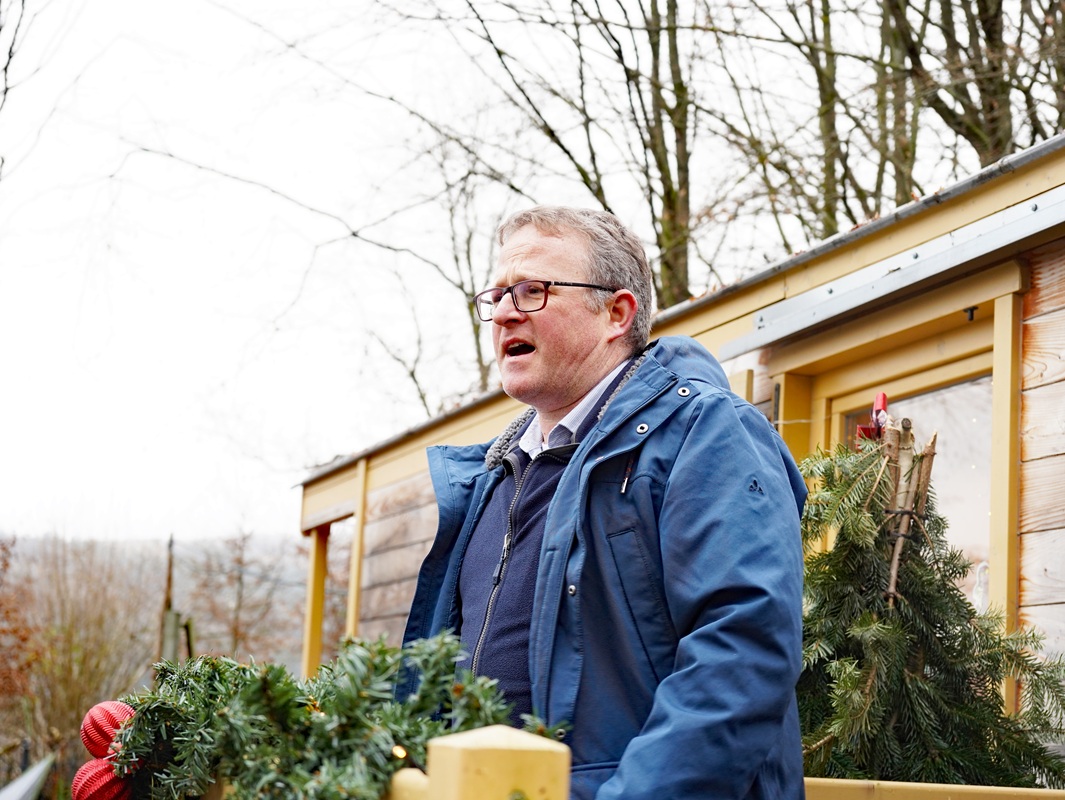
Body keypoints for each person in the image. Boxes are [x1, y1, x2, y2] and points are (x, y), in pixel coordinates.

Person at [401, 206, 807, 799]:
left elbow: (741, 653)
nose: (507, 311)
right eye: (499, 295)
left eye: (534, 290)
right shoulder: (491, 477)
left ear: (617, 313)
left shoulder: (706, 433)